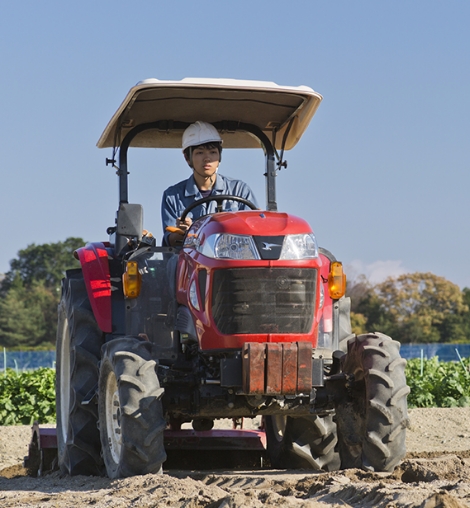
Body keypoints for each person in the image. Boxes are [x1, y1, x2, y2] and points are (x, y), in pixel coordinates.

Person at [161, 121, 258, 246]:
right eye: (200, 153)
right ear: (187, 158)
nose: (207, 158)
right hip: (190, 261)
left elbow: (254, 231)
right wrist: (182, 232)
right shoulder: (172, 196)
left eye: (212, 152)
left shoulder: (240, 190)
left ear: (219, 157)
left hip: (231, 257)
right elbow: (170, 241)